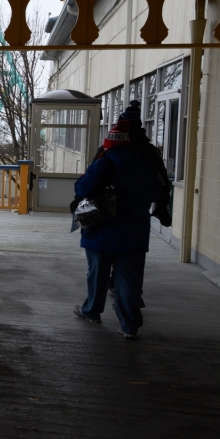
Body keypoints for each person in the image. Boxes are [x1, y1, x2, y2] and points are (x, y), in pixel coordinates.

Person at [73, 103, 170, 339]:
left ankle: (92, 311)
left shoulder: (104, 162)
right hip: (134, 231)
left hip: (101, 229)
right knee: (129, 279)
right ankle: (129, 326)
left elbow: (82, 188)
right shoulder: (145, 165)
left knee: (97, 274)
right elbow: (157, 192)